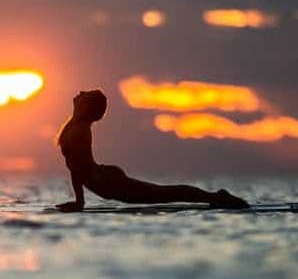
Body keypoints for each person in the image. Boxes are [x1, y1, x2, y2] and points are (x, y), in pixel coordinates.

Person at [56, 90, 249, 212]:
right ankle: (215, 196)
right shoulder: (75, 127)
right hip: (104, 180)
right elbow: (76, 167)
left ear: (86, 106)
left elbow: (78, 169)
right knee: (163, 193)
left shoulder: (80, 130)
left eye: (85, 94)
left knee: (165, 194)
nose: (80, 92)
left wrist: (79, 202)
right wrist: (79, 202)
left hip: (108, 182)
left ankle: (218, 197)